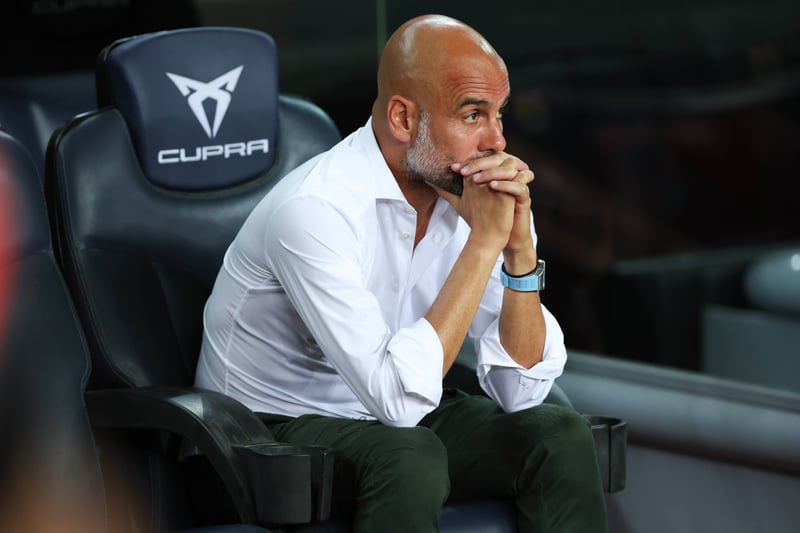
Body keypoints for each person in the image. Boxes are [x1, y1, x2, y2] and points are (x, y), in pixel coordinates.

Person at [195, 13, 608, 533]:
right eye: (472, 115)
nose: (497, 142)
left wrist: (518, 251)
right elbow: (396, 402)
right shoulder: (315, 209)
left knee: (557, 435)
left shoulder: (460, 198)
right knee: (410, 456)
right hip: (262, 442)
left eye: (498, 115)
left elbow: (520, 390)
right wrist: (484, 243)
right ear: (403, 119)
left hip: (387, 419)